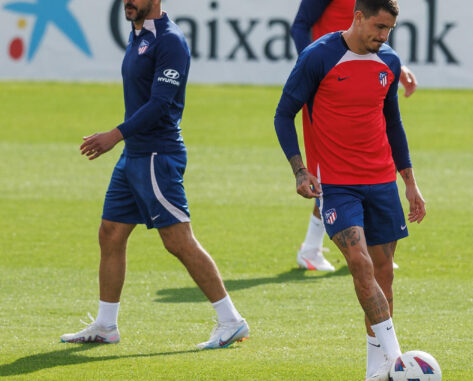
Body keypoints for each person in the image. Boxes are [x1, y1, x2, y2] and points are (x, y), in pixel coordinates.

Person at [60, 0, 248, 350]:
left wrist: (114, 135)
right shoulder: (138, 36)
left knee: (178, 240)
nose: (128, 2)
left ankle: (230, 320)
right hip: (136, 154)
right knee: (111, 233)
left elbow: (161, 103)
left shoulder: (170, 41)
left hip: (156, 156)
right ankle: (106, 325)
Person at [274, 0, 426, 379]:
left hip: (381, 182)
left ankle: (377, 370)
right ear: (357, 18)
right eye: (377, 27)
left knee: (383, 274)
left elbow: (394, 124)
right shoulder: (318, 57)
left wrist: (410, 183)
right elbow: (283, 114)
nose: (382, 35)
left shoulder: (387, 62)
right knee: (359, 263)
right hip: (338, 184)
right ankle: (398, 360)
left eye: (388, 30)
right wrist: (299, 170)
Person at [289, 0, 417, 272]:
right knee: (336, 168)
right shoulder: (323, 56)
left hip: (362, 76)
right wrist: (314, 73)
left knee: (356, 164)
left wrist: (392, 63)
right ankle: (316, 247)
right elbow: (300, 25)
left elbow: (380, 33)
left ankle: (322, 246)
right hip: (328, 89)